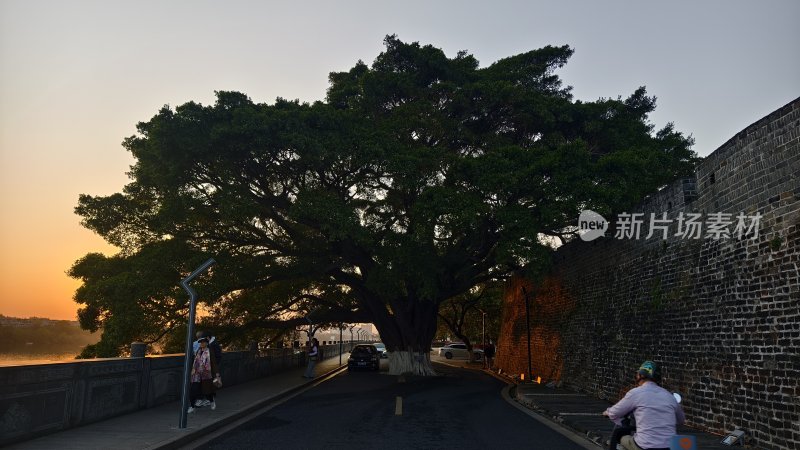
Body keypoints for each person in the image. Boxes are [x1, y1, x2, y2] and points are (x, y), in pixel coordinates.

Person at [602, 361, 685, 450]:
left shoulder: (636, 393)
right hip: (670, 447)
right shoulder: (669, 396)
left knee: (620, 437)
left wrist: (607, 412)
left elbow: (615, 412)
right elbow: (681, 420)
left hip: (645, 446)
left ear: (641, 375)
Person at [187, 337, 220, 413]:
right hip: (196, 374)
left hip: (206, 374)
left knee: (207, 392)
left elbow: (214, 363)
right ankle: (192, 406)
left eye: (203, 342)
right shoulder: (198, 350)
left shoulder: (210, 351)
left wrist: (217, 374)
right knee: (193, 391)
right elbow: (195, 361)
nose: (201, 343)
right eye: (200, 342)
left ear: (207, 343)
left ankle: (211, 401)